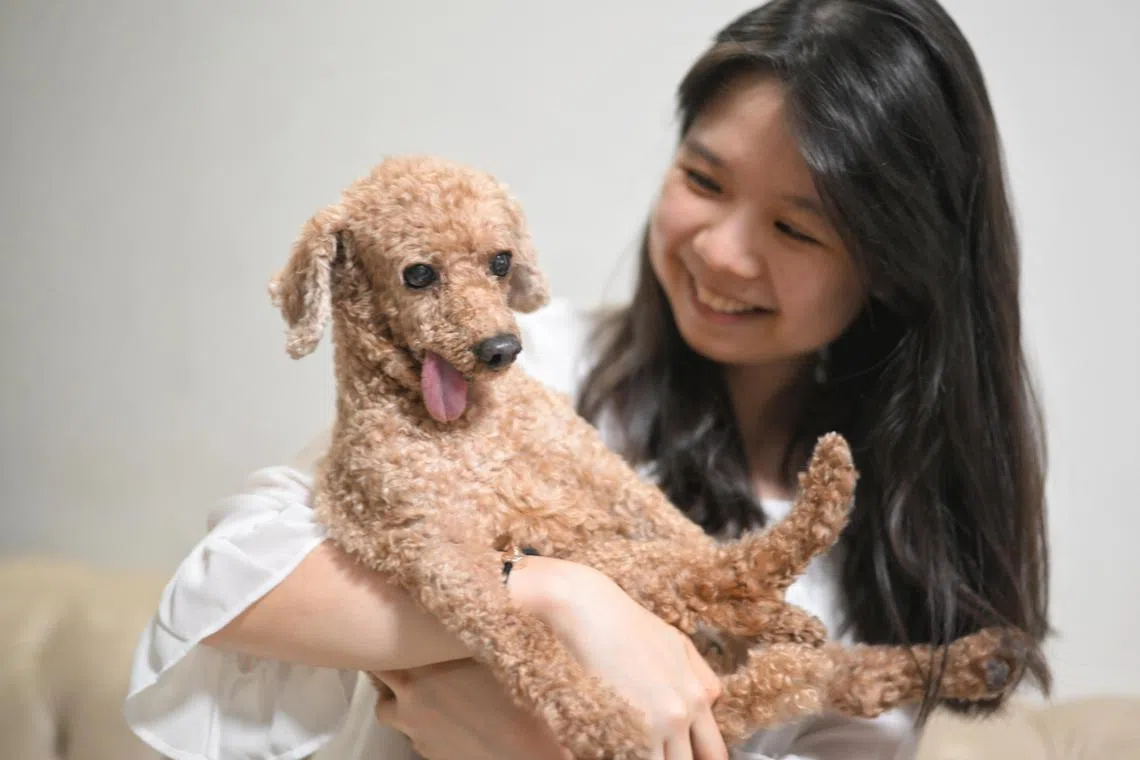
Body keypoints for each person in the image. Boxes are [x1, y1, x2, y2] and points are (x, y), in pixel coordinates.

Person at [123, 0, 1052, 758]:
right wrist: (558, 598)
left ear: (895, 265)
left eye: (797, 229)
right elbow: (229, 589)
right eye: (704, 179)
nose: (723, 254)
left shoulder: (894, 536)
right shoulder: (533, 367)